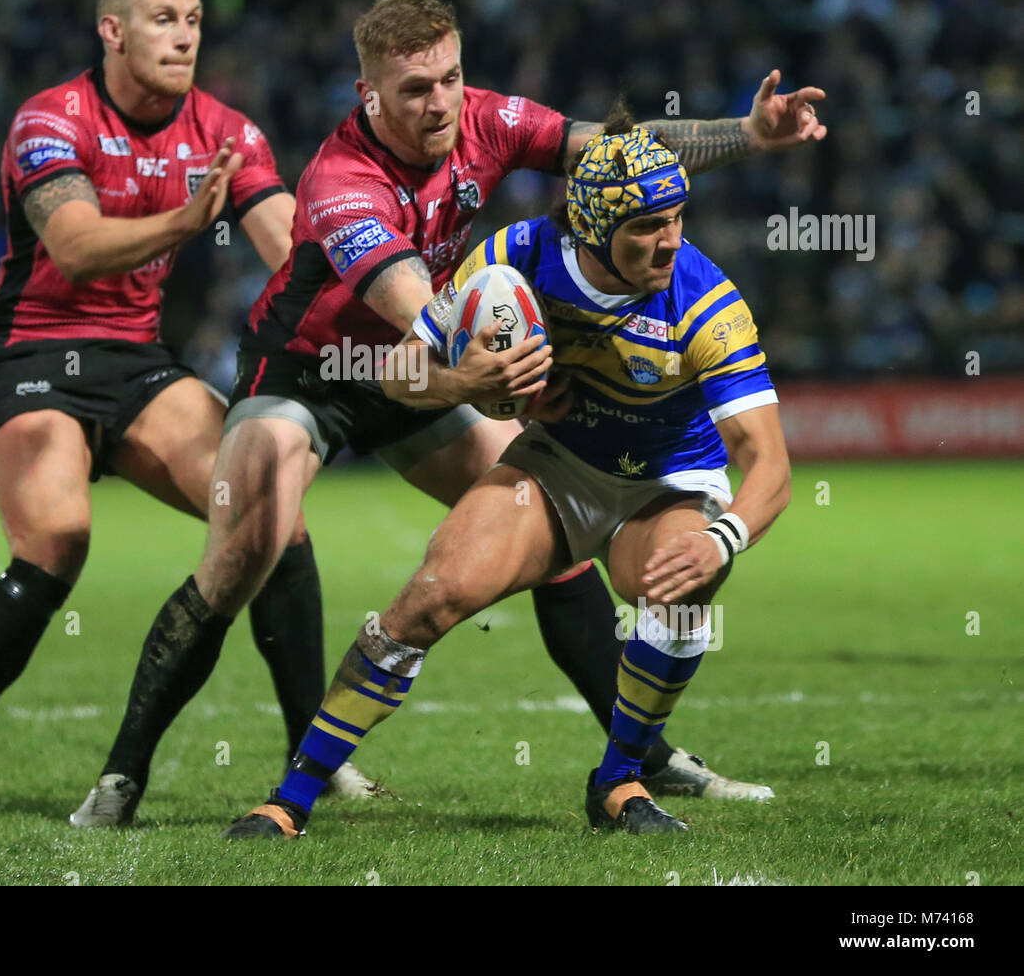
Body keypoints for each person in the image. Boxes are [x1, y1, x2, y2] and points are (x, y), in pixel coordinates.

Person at [71, 0, 824, 826]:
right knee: (245, 550)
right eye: (414, 89)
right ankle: (123, 774)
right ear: (369, 95)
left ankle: (638, 753)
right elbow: (418, 312)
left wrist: (751, 133)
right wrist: (502, 375)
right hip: (318, 372)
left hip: (444, 364)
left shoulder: (487, 119)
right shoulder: (341, 179)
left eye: (450, 79)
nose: (439, 103)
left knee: (552, 537)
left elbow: (615, 157)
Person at [0, 0, 374, 813]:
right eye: (162, 18)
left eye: (193, 19)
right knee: (57, 540)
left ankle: (314, 755)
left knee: (272, 514)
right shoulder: (49, 119)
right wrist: (186, 221)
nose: (186, 34)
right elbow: (74, 246)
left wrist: (403, 298)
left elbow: (298, 253)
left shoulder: (227, 132)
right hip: (30, 355)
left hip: (137, 362)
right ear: (112, 31)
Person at [225, 110, 791, 839]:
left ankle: (618, 781)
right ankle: (292, 798)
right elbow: (402, 376)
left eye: (678, 218)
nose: (672, 240)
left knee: (678, 586)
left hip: (669, 483)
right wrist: (462, 383)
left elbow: (768, 462)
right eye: (649, 225)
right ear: (593, 225)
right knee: (429, 599)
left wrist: (724, 537)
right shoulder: (513, 259)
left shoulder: (707, 303)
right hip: (557, 469)